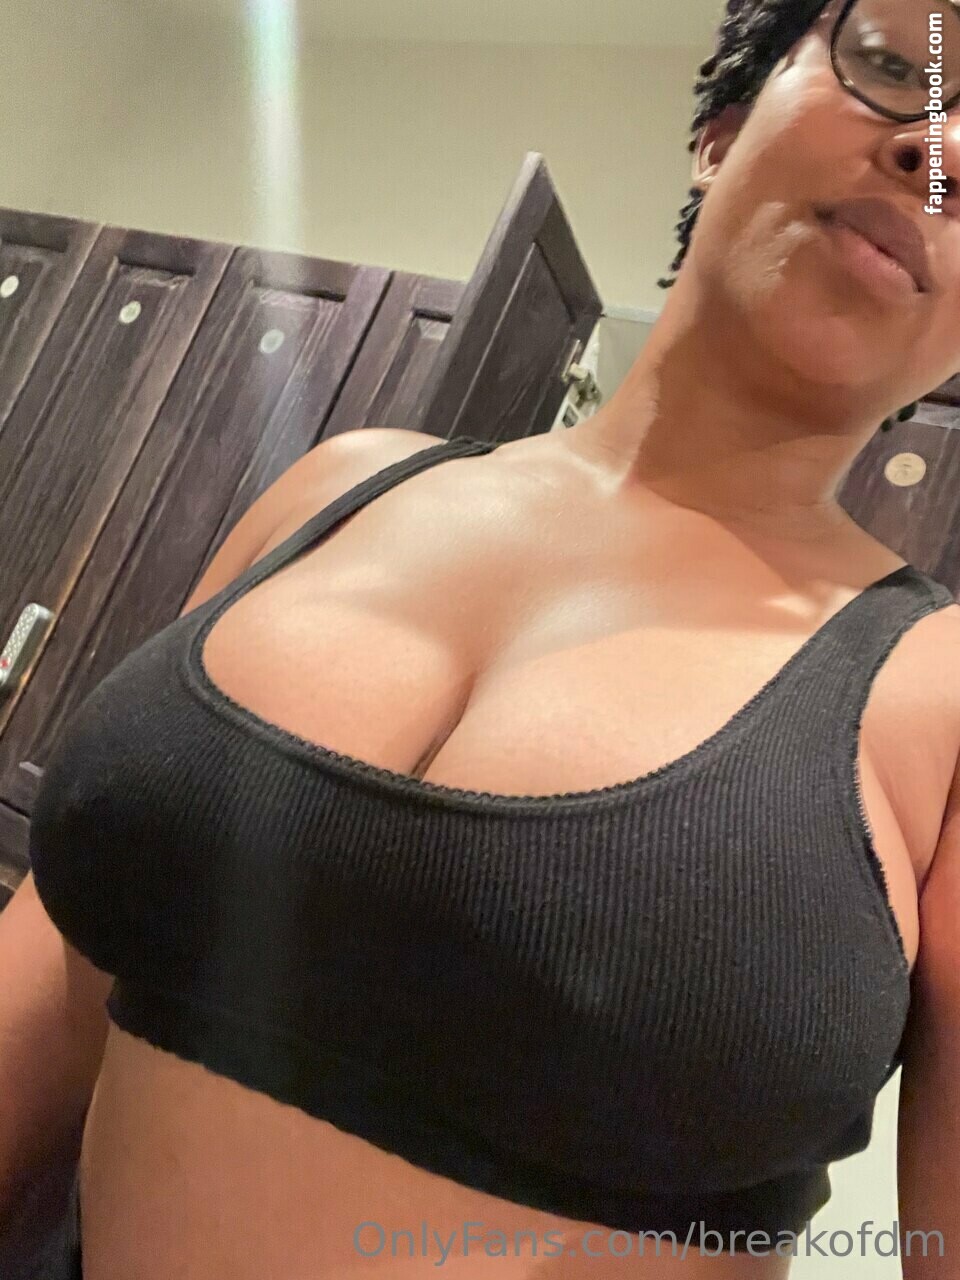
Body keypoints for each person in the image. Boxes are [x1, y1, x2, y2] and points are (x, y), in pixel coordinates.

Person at [2, 0, 960, 1275]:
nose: (938, 150)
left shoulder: (940, 694)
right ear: (721, 133)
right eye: (899, 63)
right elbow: (61, 983)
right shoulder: (343, 486)